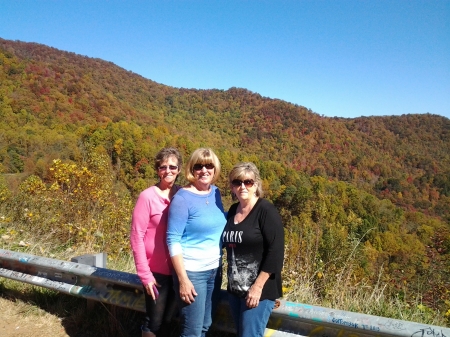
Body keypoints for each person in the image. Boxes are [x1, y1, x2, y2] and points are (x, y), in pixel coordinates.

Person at [166, 148, 226, 337]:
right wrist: (183, 280)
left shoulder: (215, 193)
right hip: (192, 273)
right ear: (192, 169)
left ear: (215, 169)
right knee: (191, 330)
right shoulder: (182, 198)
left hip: (214, 271)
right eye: (198, 166)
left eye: (209, 165)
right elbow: (173, 240)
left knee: (205, 325)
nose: (204, 170)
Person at [222, 162, 284, 337]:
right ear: (232, 186)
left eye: (248, 182)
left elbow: (276, 252)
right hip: (235, 291)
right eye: (237, 182)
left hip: (258, 293)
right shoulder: (234, 210)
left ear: (256, 184)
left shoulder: (266, 211)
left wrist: (257, 287)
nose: (242, 186)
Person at [130, 147, 183, 337]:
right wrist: (145, 275)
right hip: (156, 272)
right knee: (153, 322)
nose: (168, 171)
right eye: (163, 167)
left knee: (168, 320)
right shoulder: (147, 197)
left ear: (179, 169)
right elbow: (136, 237)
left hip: (178, 271)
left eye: (172, 167)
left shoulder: (182, 195)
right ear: (157, 170)